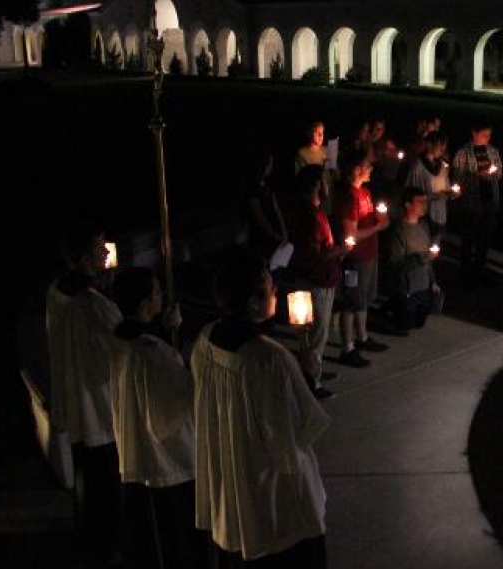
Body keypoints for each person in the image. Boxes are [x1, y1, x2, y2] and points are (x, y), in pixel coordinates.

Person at [191, 251, 331, 567]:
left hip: (231, 470)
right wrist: (307, 375)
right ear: (253, 302)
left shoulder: (207, 336)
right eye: (270, 289)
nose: (276, 294)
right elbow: (289, 434)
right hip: (268, 487)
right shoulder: (267, 358)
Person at [110, 267, 202, 569]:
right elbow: (170, 414)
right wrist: (190, 370)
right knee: (175, 544)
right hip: (168, 464)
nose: (162, 296)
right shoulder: (151, 353)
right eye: (157, 293)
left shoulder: (120, 340)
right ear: (143, 304)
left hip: (135, 454)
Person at [46, 220, 123, 563]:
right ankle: (106, 548)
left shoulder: (58, 291)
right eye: (99, 248)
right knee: (103, 484)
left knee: (87, 481)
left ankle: (92, 542)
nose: (106, 251)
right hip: (99, 405)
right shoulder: (89, 303)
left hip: (75, 398)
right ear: (81, 258)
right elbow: (120, 350)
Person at [287, 165, 347, 400]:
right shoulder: (309, 217)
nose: (329, 186)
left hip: (321, 278)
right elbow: (312, 255)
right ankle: (311, 382)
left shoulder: (313, 212)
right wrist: (339, 250)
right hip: (316, 281)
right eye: (325, 181)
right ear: (317, 185)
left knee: (314, 335)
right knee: (315, 334)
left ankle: (313, 373)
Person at [335, 150, 391, 367]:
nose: (372, 168)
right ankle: (347, 348)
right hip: (355, 259)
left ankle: (363, 337)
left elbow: (371, 220)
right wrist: (377, 227)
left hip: (369, 255)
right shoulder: (349, 197)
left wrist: (380, 218)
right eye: (368, 165)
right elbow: (351, 234)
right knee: (350, 302)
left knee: (363, 299)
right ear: (357, 169)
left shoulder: (365, 192)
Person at [383, 187, 441, 331]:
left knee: (419, 323)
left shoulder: (423, 226)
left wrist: (433, 281)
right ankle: (391, 306)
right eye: (419, 202)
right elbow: (396, 264)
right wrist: (422, 257)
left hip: (423, 287)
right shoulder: (399, 229)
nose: (424, 205)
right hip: (407, 288)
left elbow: (428, 259)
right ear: (407, 204)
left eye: (425, 201)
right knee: (404, 326)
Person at [452, 122, 503, 284]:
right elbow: (457, 177)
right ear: (474, 133)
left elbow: (499, 172)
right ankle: (465, 272)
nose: (487, 138)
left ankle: (480, 269)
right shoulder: (463, 152)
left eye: (489, 135)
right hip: (471, 201)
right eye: (483, 134)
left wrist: (492, 175)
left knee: (484, 238)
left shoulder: (492, 151)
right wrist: (476, 176)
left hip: (489, 200)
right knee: (468, 237)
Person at [404, 130, 454, 242]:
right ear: (429, 144)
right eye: (439, 146)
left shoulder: (442, 166)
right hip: (425, 216)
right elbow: (411, 194)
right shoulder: (418, 167)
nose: (442, 150)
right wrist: (432, 196)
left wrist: (452, 194)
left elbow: (447, 188)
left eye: (444, 147)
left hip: (440, 215)